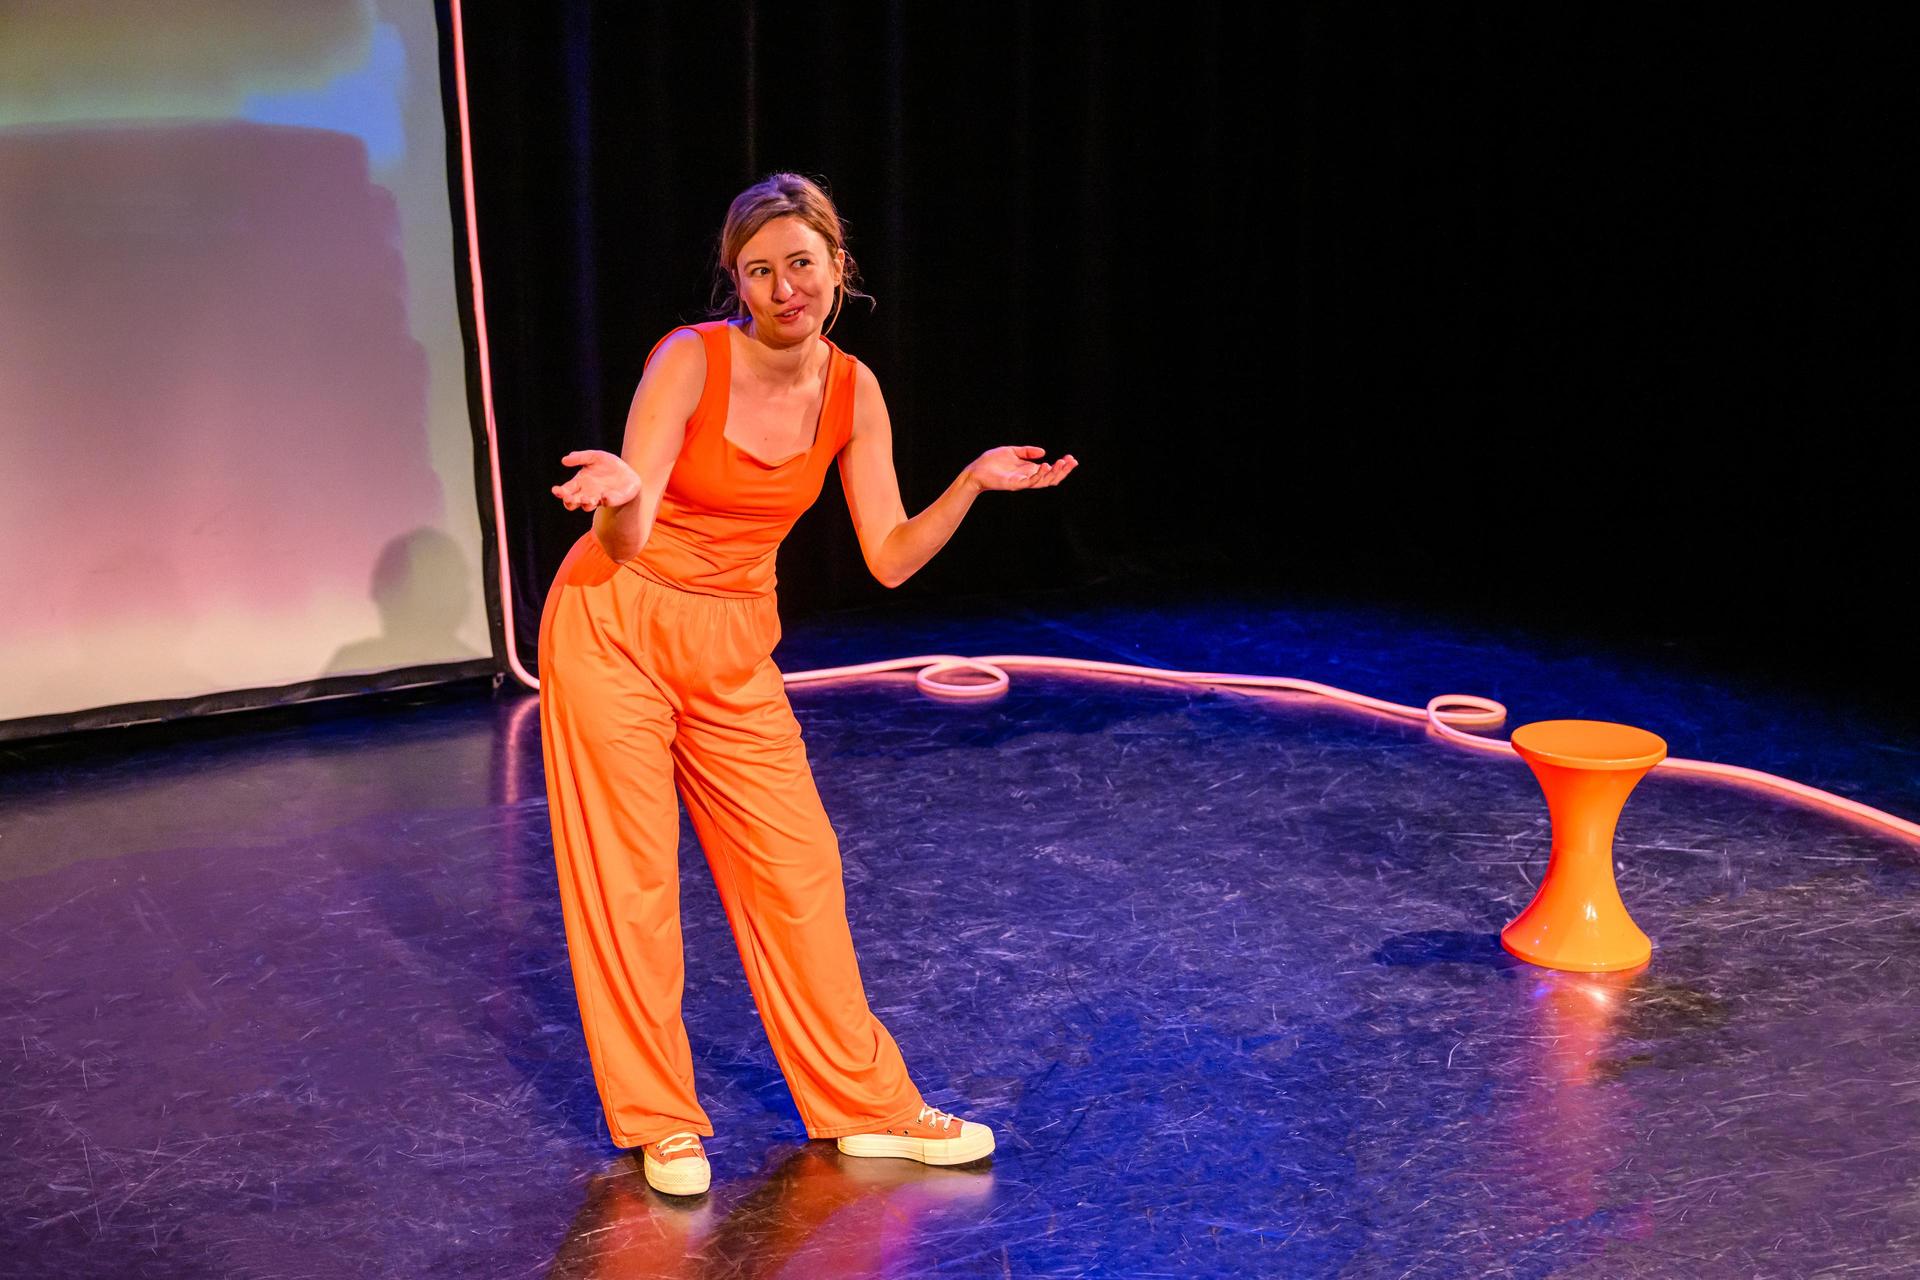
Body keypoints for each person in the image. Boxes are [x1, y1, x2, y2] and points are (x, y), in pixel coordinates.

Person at [538, 172, 1077, 1197]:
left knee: (799, 869)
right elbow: (634, 527)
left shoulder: (852, 389)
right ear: (735, 280)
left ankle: (866, 1105)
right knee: (633, 880)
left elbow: (888, 554)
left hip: (734, 643)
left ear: (839, 266)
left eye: (802, 264)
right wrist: (615, 494)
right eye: (760, 270)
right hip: (614, 618)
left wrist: (967, 482)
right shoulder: (687, 359)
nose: (785, 287)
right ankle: (662, 1120)